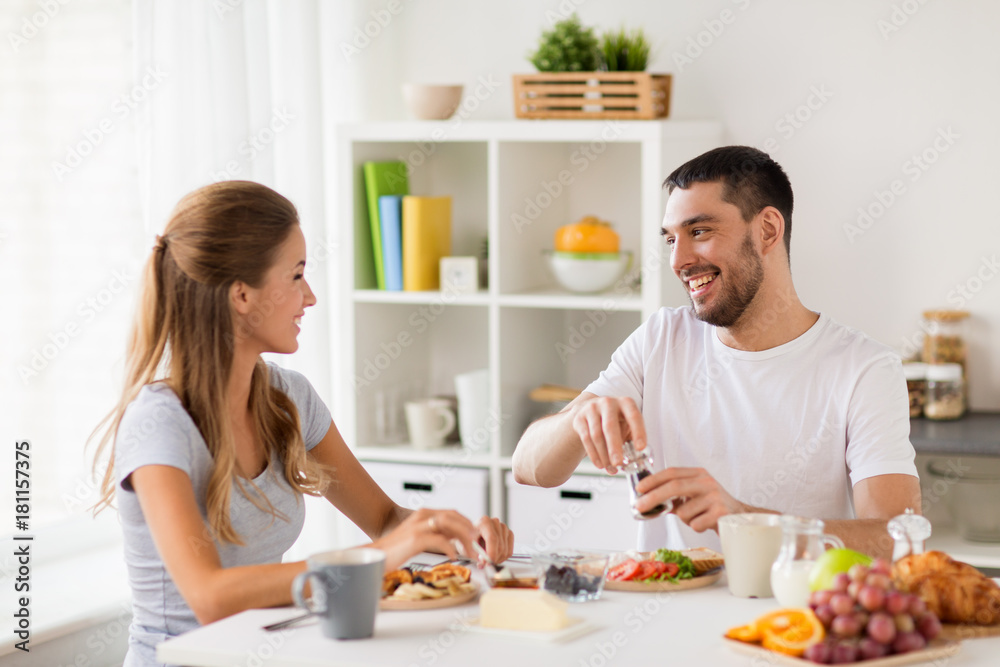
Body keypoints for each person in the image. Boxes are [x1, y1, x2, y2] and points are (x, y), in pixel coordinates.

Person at [90, 181, 513, 667]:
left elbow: (384, 521)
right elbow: (209, 597)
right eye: (295, 276)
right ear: (242, 295)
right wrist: (383, 553)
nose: (308, 296)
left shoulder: (288, 400)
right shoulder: (160, 425)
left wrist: (449, 531)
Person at [512, 146, 919, 559]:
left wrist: (745, 520)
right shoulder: (660, 339)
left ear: (767, 231)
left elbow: (898, 541)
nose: (678, 260)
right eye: (671, 239)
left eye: (700, 232)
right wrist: (579, 418)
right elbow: (529, 468)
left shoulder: (864, 368)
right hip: (669, 612)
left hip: (795, 618)